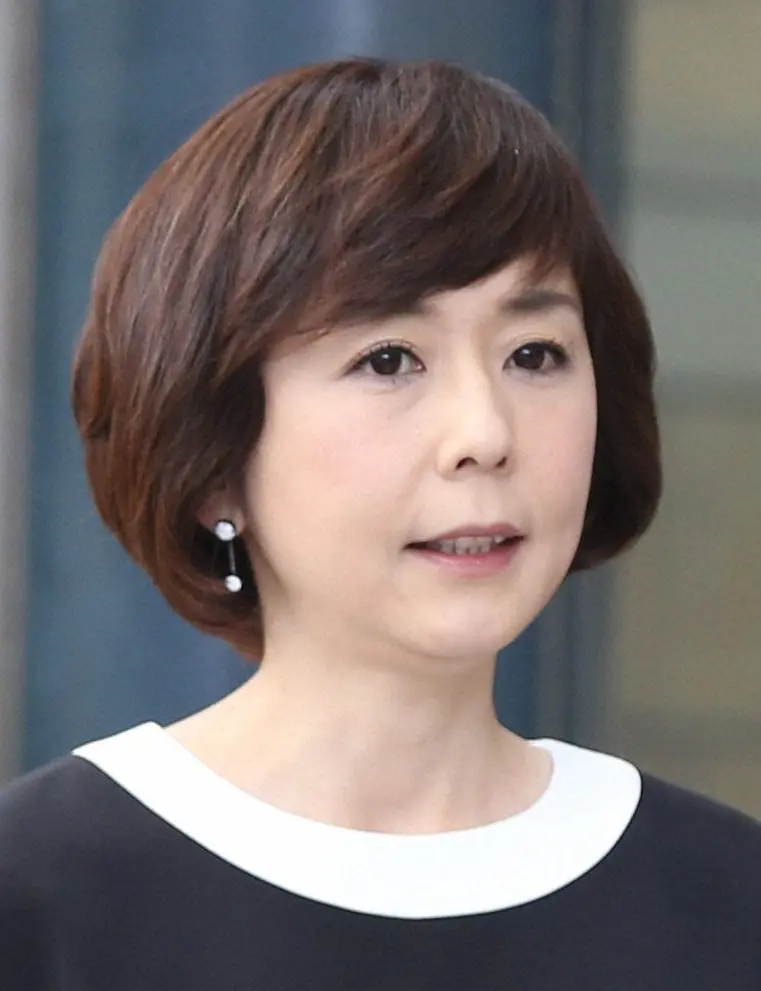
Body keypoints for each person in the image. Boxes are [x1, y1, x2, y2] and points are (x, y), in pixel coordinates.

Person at [0, 57, 759, 990]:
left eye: (534, 353)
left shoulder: (725, 897)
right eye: (390, 359)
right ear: (213, 456)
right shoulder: (40, 896)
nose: (483, 433)